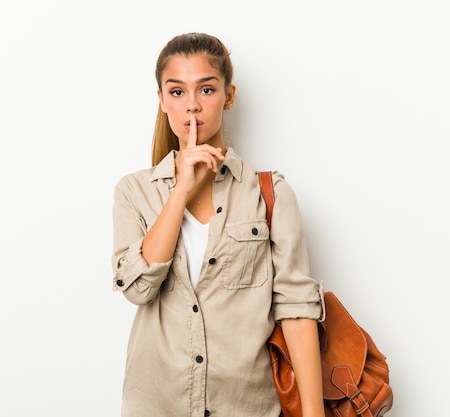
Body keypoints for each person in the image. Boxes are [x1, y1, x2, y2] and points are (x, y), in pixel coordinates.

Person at [112, 32, 325, 417]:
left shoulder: (270, 193)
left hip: (247, 407)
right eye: (176, 93)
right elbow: (139, 289)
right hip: (157, 405)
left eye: (206, 89)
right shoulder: (134, 191)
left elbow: (296, 311)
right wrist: (180, 192)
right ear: (161, 101)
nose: (191, 106)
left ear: (229, 96)